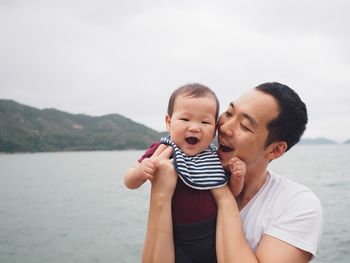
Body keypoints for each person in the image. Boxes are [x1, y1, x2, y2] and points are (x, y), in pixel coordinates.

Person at [142, 82, 323, 263]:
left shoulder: (296, 204)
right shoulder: (183, 175)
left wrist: (223, 194)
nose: (225, 127)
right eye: (228, 113)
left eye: (244, 126)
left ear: (275, 150)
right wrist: (161, 195)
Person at [124, 83, 246, 262]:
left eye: (205, 122)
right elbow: (129, 181)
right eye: (185, 119)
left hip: (212, 233)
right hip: (175, 236)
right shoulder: (164, 150)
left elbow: (231, 192)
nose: (195, 127)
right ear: (168, 122)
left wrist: (238, 177)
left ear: (214, 131)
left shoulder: (213, 157)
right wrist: (141, 171)